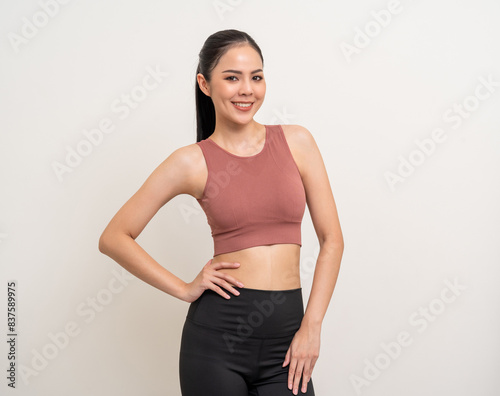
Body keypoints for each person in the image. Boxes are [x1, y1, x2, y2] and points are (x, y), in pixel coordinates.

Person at [98, 29, 344, 396]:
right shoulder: (190, 161)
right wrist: (184, 288)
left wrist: (313, 326)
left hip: (288, 343)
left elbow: (332, 240)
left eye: (256, 77)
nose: (247, 89)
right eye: (232, 77)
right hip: (215, 345)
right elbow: (114, 237)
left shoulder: (297, 142)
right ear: (205, 84)